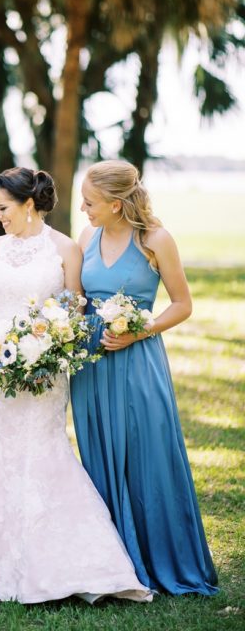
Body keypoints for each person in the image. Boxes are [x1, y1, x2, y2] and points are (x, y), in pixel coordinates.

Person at [0, 167, 151, 604]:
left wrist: (46, 348)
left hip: (44, 373)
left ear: (29, 204)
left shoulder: (67, 249)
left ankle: (73, 567)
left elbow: (74, 313)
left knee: (43, 455)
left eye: (3, 208)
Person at [72, 160, 218, 595]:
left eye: (91, 202)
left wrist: (141, 330)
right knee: (100, 454)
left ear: (117, 205)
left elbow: (182, 304)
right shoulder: (87, 238)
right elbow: (77, 300)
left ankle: (161, 559)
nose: (83, 208)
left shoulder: (156, 239)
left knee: (146, 453)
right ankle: (112, 566)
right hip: (91, 364)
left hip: (138, 362)